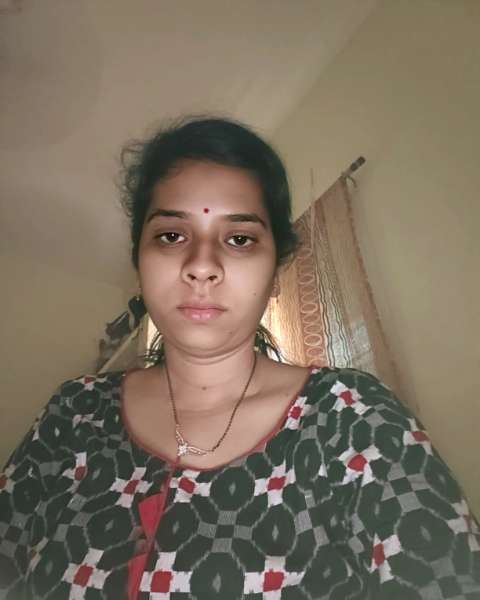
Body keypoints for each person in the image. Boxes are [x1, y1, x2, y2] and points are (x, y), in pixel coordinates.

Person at [0, 116, 479, 600]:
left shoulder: (352, 416)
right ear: (139, 260)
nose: (201, 265)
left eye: (240, 239)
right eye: (171, 235)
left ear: (275, 271)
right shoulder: (75, 413)